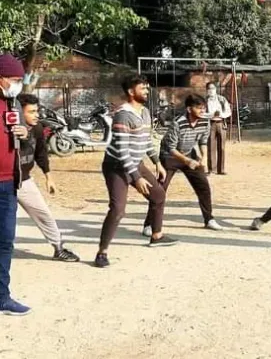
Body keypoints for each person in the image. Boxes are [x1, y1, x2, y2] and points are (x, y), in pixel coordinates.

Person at [95, 75, 178, 268]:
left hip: (136, 162)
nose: (147, 91)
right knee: (118, 210)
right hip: (116, 166)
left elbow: (146, 140)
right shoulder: (123, 115)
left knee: (158, 195)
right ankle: (101, 253)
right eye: (143, 88)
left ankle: (156, 236)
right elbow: (122, 151)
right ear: (131, 92)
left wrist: (157, 162)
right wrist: (137, 178)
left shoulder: (145, 112)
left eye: (147, 88)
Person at [142, 94, 222, 237]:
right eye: (199, 108)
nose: (202, 111)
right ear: (189, 109)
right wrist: (187, 161)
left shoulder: (205, 122)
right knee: (160, 191)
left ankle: (209, 219)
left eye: (204, 108)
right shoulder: (178, 123)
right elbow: (171, 148)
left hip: (188, 153)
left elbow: (203, 141)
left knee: (203, 186)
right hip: (169, 157)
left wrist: (203, 158)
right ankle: (149, 224)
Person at [17, 94, 79, 262]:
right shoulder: (7, 129)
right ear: (19, 113)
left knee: (43, 213)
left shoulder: (37, 128)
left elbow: (41, 154)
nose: (36, 115)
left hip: (24, 180)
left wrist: (48, 177)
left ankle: (58, 248)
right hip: (5, 182)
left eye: (37, 111)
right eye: (31, 112)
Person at [0, 54, 32, 315]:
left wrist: (24, 132)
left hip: (9, 183)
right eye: (14, 79)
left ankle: (2, 297)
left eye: (20, 80)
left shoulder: (14, 104)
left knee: (5, 242)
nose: (17, 84)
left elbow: (23, 134)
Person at [205, 82, 231, 175]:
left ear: (216, 89)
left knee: (222, 147)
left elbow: (228, 112)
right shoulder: (205, 101)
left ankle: (221, 169)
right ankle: (212, 169)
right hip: (210, 124)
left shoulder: (222, 99)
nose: (211, 90)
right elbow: (202, 114)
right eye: (209, 89)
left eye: (213, 88)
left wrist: (221, 114)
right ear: (207, 90)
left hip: (221, 123)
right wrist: (211, 115)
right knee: (211, 147)